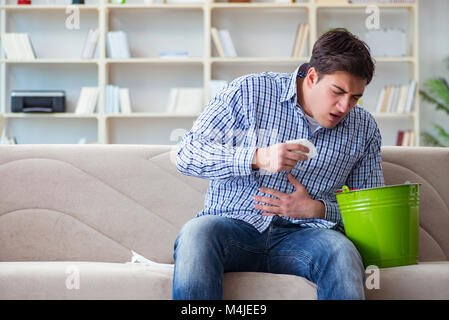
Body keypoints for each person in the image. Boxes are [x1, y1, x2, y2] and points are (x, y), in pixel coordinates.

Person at [173, 28, 384, 300]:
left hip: (305, 239)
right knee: (196, 234)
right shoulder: (247, 92)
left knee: (341, 252)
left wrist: (319, 209)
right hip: (232, 227)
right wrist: (257, 157)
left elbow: (370, 211)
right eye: (338, 91)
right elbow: (187, 154)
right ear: (311, 77)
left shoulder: (363, 128)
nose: (345, 107)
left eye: (355, 97)